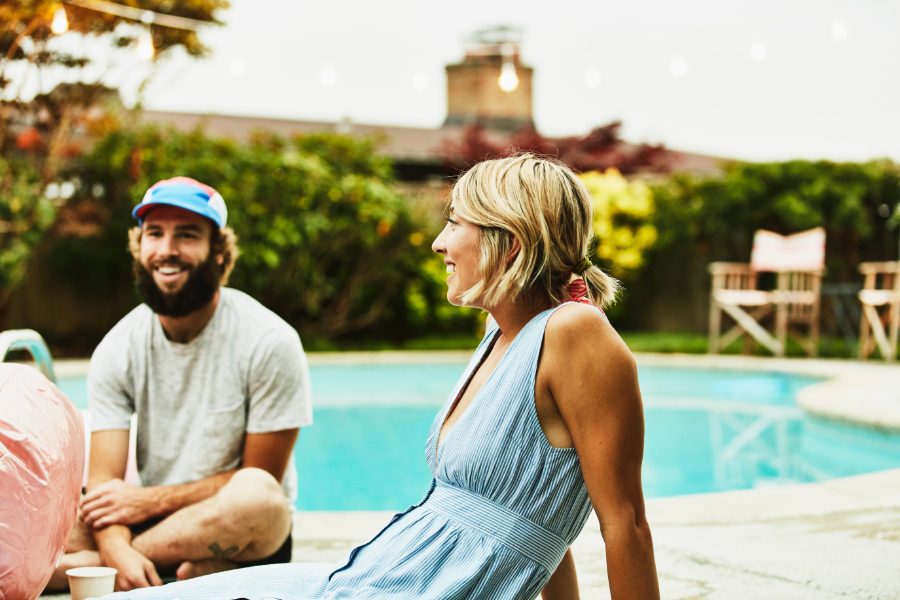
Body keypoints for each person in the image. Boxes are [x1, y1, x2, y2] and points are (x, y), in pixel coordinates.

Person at [102, 154, 658, 599]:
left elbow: (624, 524)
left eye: (454, 223)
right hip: (374, 578)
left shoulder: (577, 332)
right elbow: (538, 520)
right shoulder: (501, 337)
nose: (439, 242)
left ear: (507, 240)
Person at [47, 177, 312, 593]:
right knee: (41, 521)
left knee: (259, 496)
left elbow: (261, 475)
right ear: (140, 247)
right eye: (155, 233)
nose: (167, 249)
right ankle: (159, 569)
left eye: (186, 235)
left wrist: (146, 502)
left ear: (219, 253)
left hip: (237, 522)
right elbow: (105, 485)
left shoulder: (269, 341)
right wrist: (117, 549)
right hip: (148, 522)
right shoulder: (118, 346)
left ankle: (90, 570)